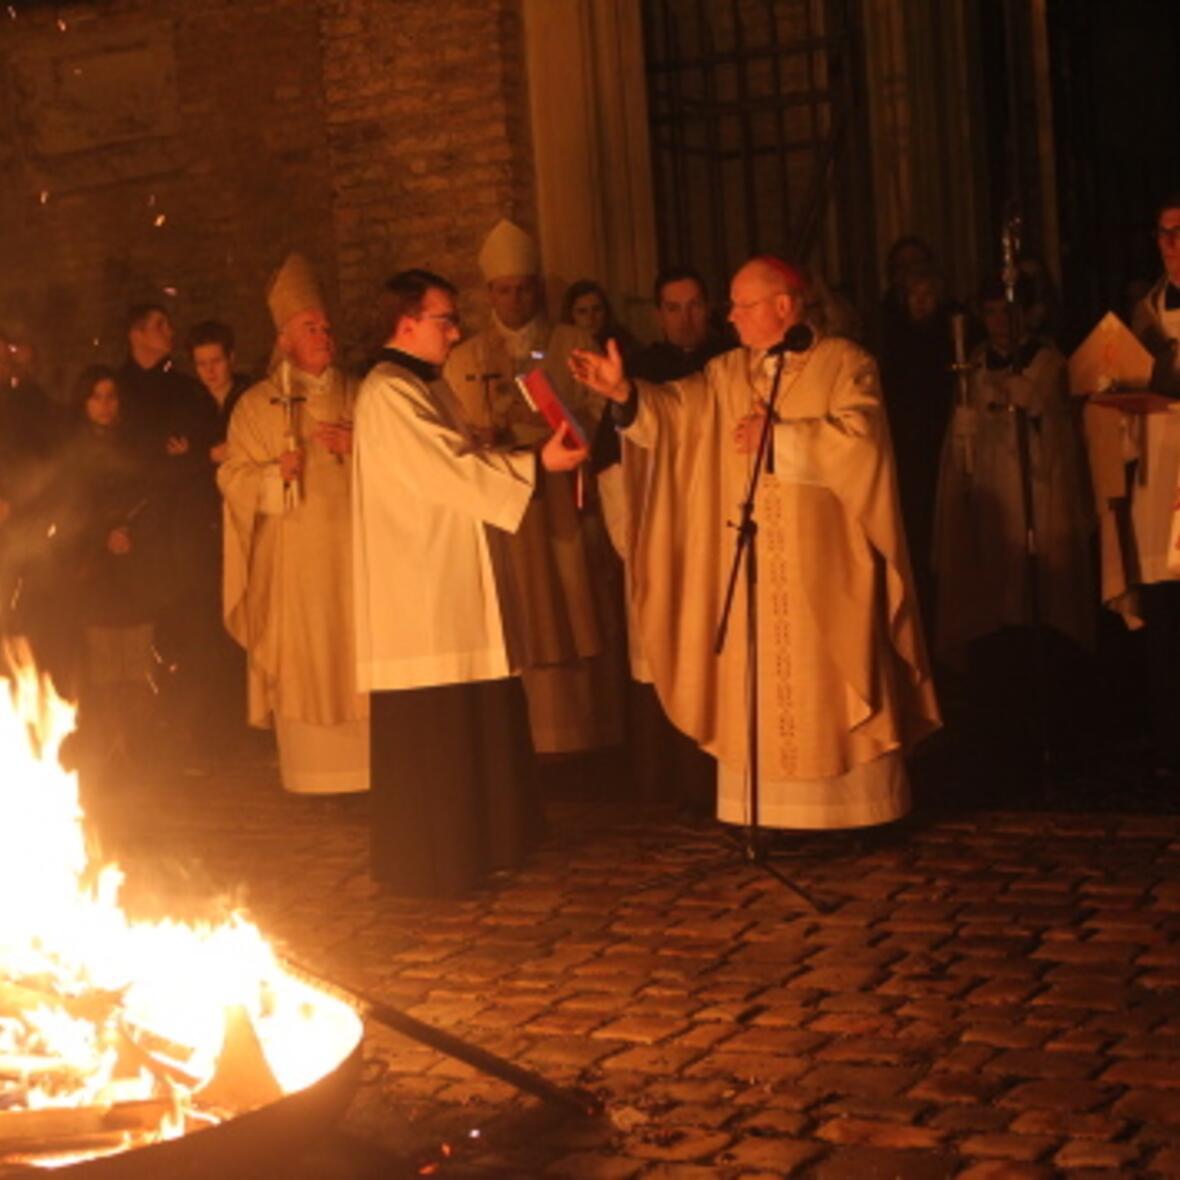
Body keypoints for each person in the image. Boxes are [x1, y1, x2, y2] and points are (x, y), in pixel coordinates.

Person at [571, 255, 940, 831]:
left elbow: (863, 442)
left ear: (785, 306)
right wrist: (626, 394)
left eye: (744, 305)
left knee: (831, 681)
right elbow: (675, 413)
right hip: (750, 572)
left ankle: (853, 811)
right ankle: (763, 814)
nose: (732, 316)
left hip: (825, 565)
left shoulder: (845, 363)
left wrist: (783, 439)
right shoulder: (726, 374)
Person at [353, 268, 588, 896]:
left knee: (473, 714)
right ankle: (439, 859)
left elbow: (455, 462)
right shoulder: (388, 390)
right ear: (406, 321)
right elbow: (445, 471)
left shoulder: (423, 386)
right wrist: (535, 462)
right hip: (423, 589)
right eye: (444, 319)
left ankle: (483, 845)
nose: (455, 331)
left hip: (448, 574)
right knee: (439, 726)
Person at [443, 218, 621, 758]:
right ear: (488, 293)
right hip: (505, 516)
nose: (514, 298)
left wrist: (524, 431)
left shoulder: (571, 344)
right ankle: (520, 747)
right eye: (503, 289)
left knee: (573, 615)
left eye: (523, 287)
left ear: (538, 289)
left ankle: (588, 742)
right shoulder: (466, 358)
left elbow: (597, 417)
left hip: (564, 510)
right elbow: (452, 439)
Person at [218, 254, 369, 794]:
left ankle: (370, 772)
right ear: (283, 340)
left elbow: (401, 461)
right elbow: (231, 478)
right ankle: (315, 777)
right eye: (310, 327)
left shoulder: (361, 394)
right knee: (306, 658)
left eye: (326, 326)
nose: (323, 335)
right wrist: (271, 477)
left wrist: (363, 447)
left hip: (357, 559)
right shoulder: (257, 407)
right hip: (292, 566)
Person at [932, 277, 1093, 777]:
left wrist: (1037, 409)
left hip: (1039, 502)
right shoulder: (974, 367)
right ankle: (999, 729)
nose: (1000, 323)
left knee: (1039, 605)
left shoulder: (1049, 364)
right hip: (992, 509)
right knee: (995, 613)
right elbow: (961, 446)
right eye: (992, 313)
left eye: (1008, 312)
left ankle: (1053, 728)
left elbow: (1066, 437)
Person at [597, 267, 726, 816]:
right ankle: (662, 784)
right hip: (654, 535)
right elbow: (610, 461)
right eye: (673, 308)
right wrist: (632, 539)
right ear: (658, 314)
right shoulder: (639, 372)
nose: (685, 318)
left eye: (695, 305)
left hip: (715, 538)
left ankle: (714, 783)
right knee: (655, 652)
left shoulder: (727, 366)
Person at [55, 367, 164, 776]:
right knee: (101, 673)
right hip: (94, 577)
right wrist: (101, 537)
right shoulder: (72, 452)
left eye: (111, 396)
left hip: (135, 577)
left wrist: (131, 534)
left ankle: (137, 751)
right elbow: (68, 513)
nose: (105, 405)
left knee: (136, 669)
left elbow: (153, 499)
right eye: (97, 396)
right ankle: (106, 755)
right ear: (84, 402)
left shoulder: (135, 447)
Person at [1124, 194, 1180, 778]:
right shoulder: (1143, 313)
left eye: (1179, 232)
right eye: (1162, 234)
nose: (1170, 244)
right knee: (1165, 612)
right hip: (1160, 475)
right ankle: (1169, 742)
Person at [560, 279, 639, 360]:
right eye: (582, 312)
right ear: (571, 315)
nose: (590, 318)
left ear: (606, 310)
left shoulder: (623, 343)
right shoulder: (562, 346)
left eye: (597, 309)